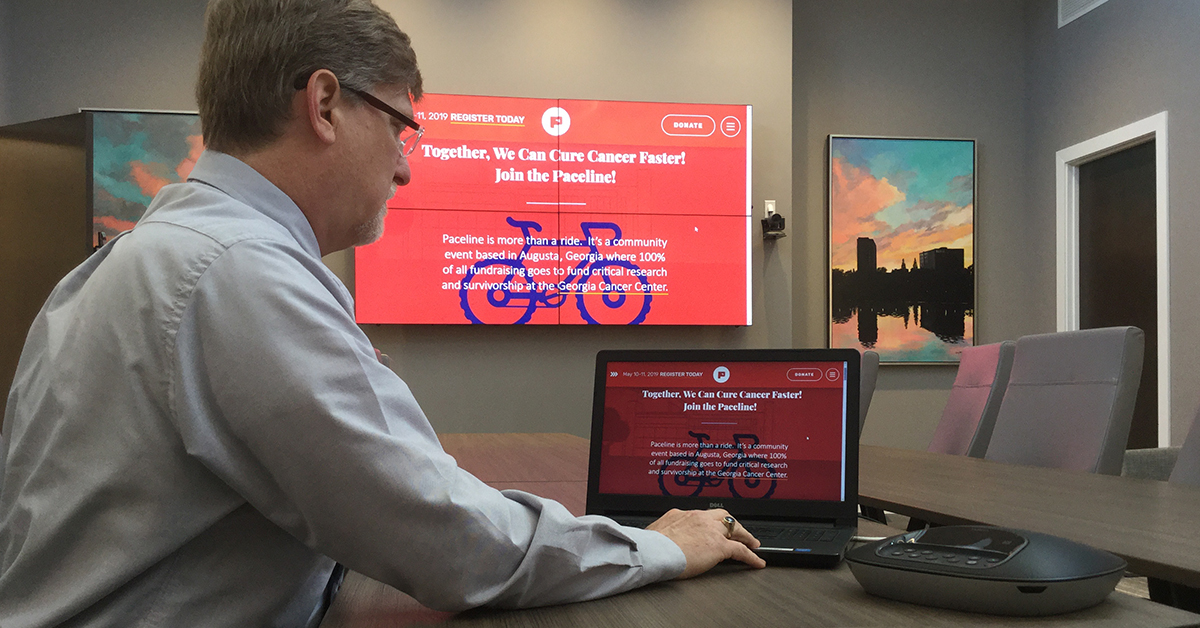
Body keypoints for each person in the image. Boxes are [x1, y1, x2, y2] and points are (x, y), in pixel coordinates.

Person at [0, 0, 764, 626]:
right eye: (400, 126)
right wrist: (657, 546)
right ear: (325, 104)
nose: (404, 164)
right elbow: (449, 541)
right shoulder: (236, 273)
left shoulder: (153, 258)